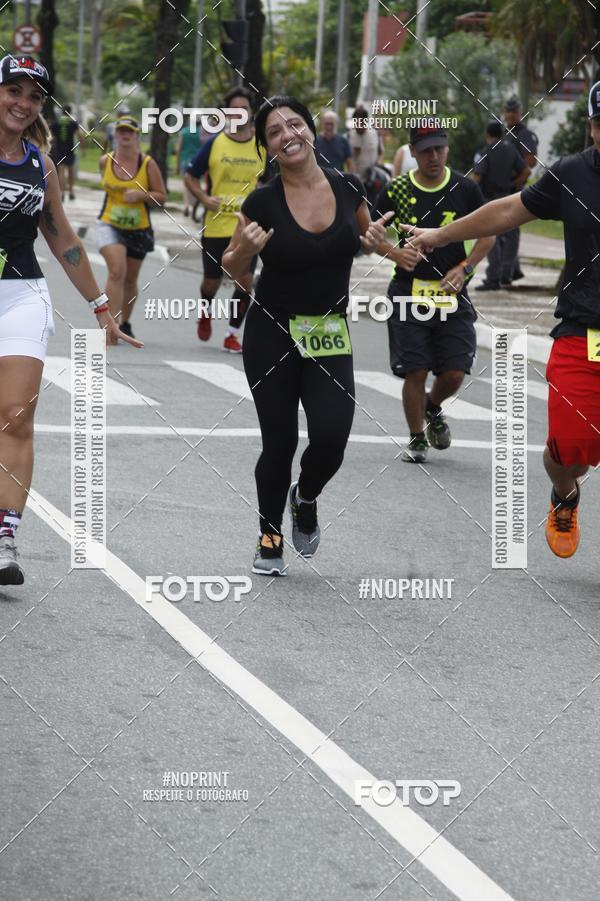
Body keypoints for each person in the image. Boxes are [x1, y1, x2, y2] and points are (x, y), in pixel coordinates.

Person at [397, 80, 600, 559]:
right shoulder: (573, 173)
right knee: (569, 451)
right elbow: (509, 209)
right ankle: (565, 493)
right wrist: (440, 235)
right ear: (592, 127)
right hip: (584, 330)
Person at [222, 95, 391, 575]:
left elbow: (368, 239)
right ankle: (269, 537)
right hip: (272, 333)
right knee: (279, 443)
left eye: (294, 124)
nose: (288, 135)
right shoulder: (261, 202)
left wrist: (383, 246)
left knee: (333, 435)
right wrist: (243, 252)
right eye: (275, 132)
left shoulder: (349, 186)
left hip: (327, 330)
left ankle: (306, 496)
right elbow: (233, 268)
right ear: (268, 147)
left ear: (311, 131)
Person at [0, 55, 140, 585]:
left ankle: (4, 537)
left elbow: (62, 238)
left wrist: (101, 306)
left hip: (21, 294)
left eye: (33, 97)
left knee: (15, 415)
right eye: (13, 90)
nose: (23, 103)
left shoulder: (40, 164)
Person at [372, 122, 494, 464]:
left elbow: (489, 234)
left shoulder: (465, 189)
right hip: (407, 293)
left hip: (451, 294)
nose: (434, 156)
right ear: (412, 152)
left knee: (455, 372)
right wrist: (395, 253)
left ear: (447, 148)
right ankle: (416, 438)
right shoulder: (396, 189)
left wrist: (465, 267)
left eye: (439, 149)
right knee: (416, 369)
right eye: (426, 151)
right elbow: (369, 232)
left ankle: (432, 406)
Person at [184, 86, 264, 353]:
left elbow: (271, 181)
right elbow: (190, 176)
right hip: (216, 225)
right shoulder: (215, 144)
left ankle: (232, 334)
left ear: (251, 112)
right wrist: (203, 198)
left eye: (244, 109)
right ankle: (205, 310)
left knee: (245, 281)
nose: (239, 113)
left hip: (247, 227)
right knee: (212, 281)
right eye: (234, 109)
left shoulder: (262, 146)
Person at [96, 115, 167, 340]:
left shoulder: (147, 164)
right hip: (109, 223)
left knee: (129, 279)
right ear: (115, 135)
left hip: (139, 228)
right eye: (121, 131)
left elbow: (162, 197)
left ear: (137, 136)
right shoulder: (105, 161)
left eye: (130, 131)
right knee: (117, 271)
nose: (125, 135)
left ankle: (125, 322)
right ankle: (111, 326)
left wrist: (141, 195)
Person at [472, 120, 530, 290]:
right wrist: (513, 185)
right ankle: (507, 275)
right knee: (512, 236)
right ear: (502, 134)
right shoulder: (511, 149)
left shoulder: (486, 151)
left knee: (492, 237)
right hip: (509, 197)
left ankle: (493, 277)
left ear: (487, 135)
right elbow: (526, 172)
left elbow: (478, 177)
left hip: (490, 199)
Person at [503, 95, 539, 282]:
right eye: (508, 111)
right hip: (501, 188)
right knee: (502, 229)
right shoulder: (505, 132)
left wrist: (514, 181)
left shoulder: (524, 134)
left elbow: (531, 162)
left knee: (510, 230)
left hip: (514, 188)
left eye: (514, 111)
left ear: (520, 113)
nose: (511, 114)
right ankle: (514, 270)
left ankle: (506, 273)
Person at [348, 105, 384, 206]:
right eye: (356, 123)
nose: (358, 126)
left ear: (366, 121)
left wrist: (377, 164)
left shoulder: (375, 134)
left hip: (372, 181)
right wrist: (354, 155)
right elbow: (347, 159)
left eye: (361, 123)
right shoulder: (349, 136)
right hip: (355, 182)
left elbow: (381, 153)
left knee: (372, 207)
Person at [50, 104, 85, 200]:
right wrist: (83, 148)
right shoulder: (73, 123)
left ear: (62, 112)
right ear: (70, 112)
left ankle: (62, 192)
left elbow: (52, 138)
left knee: (61, 171)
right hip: (71, 150)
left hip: (59, 150)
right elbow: (79, 136)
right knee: (71, 171)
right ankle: (71, 191)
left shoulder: (56, 123)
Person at [175, 120, 201, 216]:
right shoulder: (201, 133)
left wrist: (177, 165)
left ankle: (186, 205)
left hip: (185, 160)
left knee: (186, 185)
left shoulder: (184, 132)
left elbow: (178, 149)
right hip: (196, 161)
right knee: (196, 184)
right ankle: (194, 206)